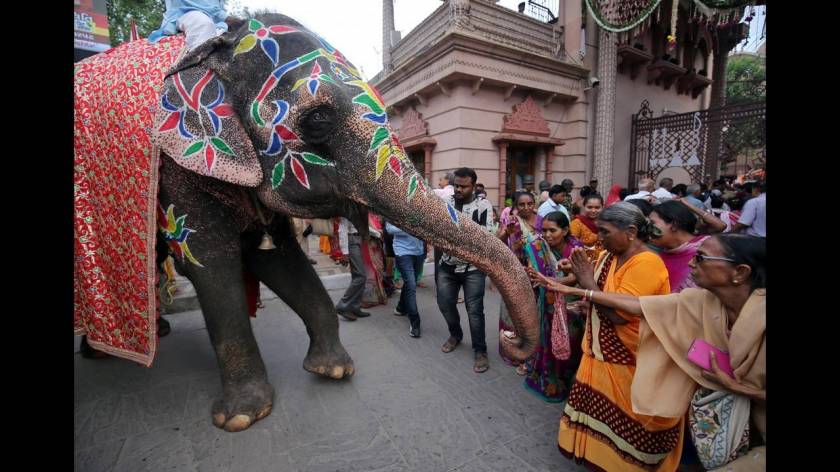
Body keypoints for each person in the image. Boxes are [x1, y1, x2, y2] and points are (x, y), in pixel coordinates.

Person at [530, 234, 766, 472]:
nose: (691, 263)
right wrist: (583, 291)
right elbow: (639, 305)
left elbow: (620, 317)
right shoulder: (701, 301)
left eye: (701, 258)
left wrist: (737, 388)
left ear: (740, 273)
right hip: (719, 417)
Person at [527, 202, 681, 471]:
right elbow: (599, 292)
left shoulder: (647, 263)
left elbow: (621, 316)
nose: (598, 237)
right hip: (599, 355)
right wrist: (570, 277)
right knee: (601, 422)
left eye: (605, 231)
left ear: (631, 231)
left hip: (628, 362)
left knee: (626, 427)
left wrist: (586, 282)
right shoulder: (611, 255)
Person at [437, 167, 495, 373]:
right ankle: (456, 334)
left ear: (473, 186)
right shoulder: (445, 203)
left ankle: (480, 351)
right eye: (456, 186)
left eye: (464, 186)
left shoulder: (483, 205)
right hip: (447, 265)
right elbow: (438, 228)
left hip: (473, 268)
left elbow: (486, 236)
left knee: (474, 311)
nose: (459, 190)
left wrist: (456, 236)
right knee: (444, 303)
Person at [522, 211, 584, 402]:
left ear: (565, 230)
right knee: (550, 339)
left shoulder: (577, 249)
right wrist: (548, 283)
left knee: (572, 342)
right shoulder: (537, 248)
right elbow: (533, 274)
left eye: (553, 230)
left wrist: (551, 281)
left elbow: (577, 277)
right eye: (544, 230)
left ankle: (571, 379)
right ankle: (551, 380)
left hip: (573, 305)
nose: (547, 235)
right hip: (548, 302)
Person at [496, 191, 542, 370]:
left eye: (530, 203)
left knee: (534, 311)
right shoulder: (512, 221)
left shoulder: (541, 220)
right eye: (522, 205)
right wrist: (508, 234)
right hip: (515, 271)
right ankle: (513, 350)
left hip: (536, 273)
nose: (526, 208)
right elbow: (498, 243)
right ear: (516, 206)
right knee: (514, 310)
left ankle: (532, 350)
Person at [649, 201, 708, 293]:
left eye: (652, 224)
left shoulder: (708, 248)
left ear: (674, 225)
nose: (648, 229)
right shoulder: (658, 259)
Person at [385, 221, 425, 338]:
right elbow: (390, 229)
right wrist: (410, 226)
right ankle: (415, 322)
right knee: (411, 285)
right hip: (402, 251)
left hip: (418, 251)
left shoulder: (421, 205)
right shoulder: (396, 206)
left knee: (409, 284)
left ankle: (401, 307)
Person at [148, 0, 229, 51]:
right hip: (185, 12)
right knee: (204, 25)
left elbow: (217, 9)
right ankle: (196, 70)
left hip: (218, 24)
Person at [335, 217, 372, 321]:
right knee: (361, 276)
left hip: (357, 240)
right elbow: (342, 229)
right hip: (352, 241)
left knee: (358, 276)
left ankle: (355, 307)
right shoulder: (348, 207)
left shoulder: (359, 208)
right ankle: (342, 306)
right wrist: (345, 253)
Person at [569, 193, 604, 261]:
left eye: (597, 207)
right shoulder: (576, 223)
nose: (593, 210)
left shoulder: (606, 223)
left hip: (604, 262)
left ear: (602, 207)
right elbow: (571, 245)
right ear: (584, 207)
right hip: (583, 262)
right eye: (589, 207)